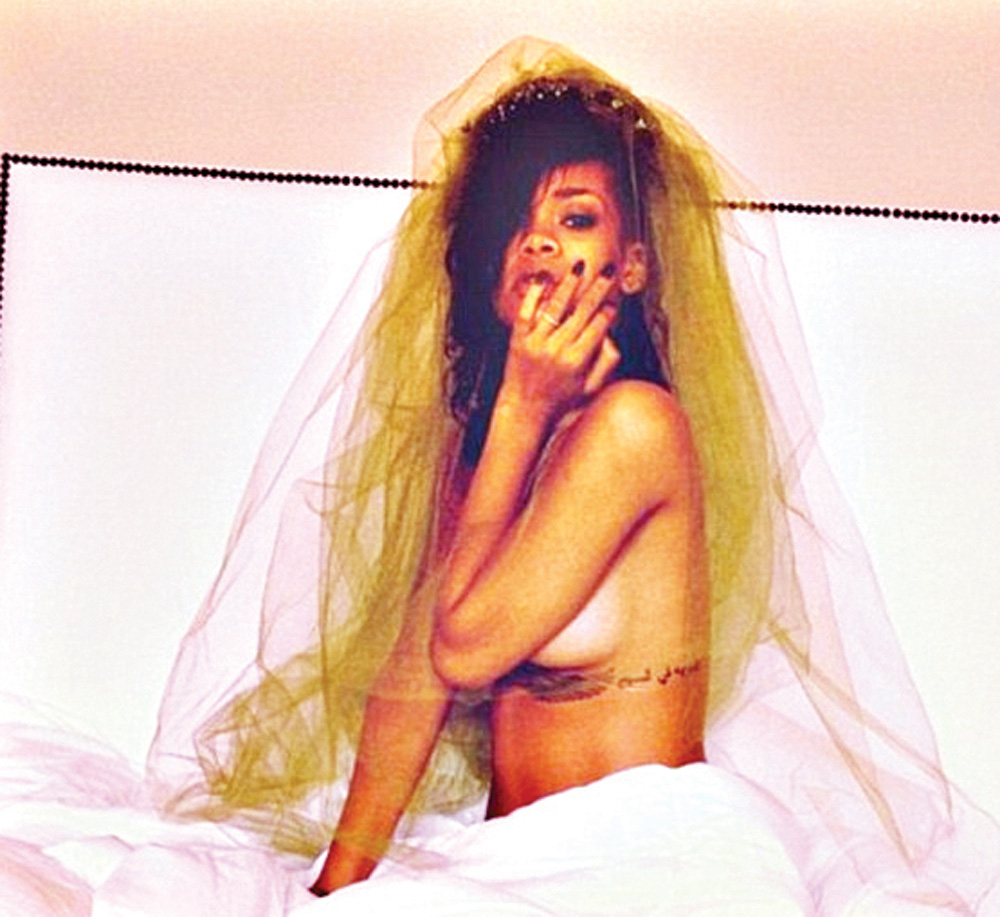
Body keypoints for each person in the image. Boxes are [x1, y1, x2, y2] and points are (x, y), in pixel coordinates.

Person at [145, 38, 1000, 915]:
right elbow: (416, 673)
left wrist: (519, 405)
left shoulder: (636, 426)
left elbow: (467, 646)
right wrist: (333, 886)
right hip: (515, 861)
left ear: (633, 265)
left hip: (648, 858)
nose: (540, 239)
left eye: (578, 217)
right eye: (513, 222)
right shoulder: (492, 444)